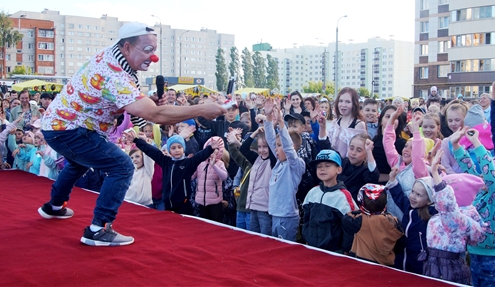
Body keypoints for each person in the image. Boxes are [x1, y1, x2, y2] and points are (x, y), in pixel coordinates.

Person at [37, 22, 226, 247]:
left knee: (78, 163)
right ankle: (99, 229)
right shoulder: (115, 74)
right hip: (70, 130)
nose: (153, 57)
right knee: (122, 166)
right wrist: (201, 110)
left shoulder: (115, 59)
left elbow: (136, 108)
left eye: (155, 49)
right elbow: (154, 116)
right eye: (147, 50)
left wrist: (147, 103)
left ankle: (54, 206)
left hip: (59, 126)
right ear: (127, 47)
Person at [452, 127, 495, 285]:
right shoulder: (482, 191)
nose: (481, 175)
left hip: (493, 261)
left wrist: (476, 142)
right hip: (474, 257)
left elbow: (489, 171)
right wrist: (456, 145)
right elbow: (469, 170)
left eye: (487, 173)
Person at [423, 149, 485, 285]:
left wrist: (435, 173)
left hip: (449, 268)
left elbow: (448, 208)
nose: (436, 194)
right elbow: (443, 202)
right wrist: (435, 172)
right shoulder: (445, 213)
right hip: (433, 264)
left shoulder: (460, 218)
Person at [264, 98, 305, 241]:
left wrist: (281, 124)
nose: (276, 149)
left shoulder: (295, 164)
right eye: (276, 145)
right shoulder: (279, 164)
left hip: (287, 218)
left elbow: (287, 147)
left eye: (279, 145)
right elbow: (270, 138)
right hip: (275, 215)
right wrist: (268, 117)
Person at [302, 149, 358, 252]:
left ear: (339, 170)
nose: (322, 169)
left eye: (327, 166)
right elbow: (306, 219)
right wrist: (306, 238)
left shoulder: (343, 196)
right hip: (311, 247)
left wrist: (346, 250)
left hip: (334, 251)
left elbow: (350, 226)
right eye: (319, 166)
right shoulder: (312, 192)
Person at [342, 184, 404, 266]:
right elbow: (401, 243)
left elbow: (346, 219)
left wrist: (361, 211)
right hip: (387, 265)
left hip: (363, 262)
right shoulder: (394, 221)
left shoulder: (359, 220)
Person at [328, 87, 366, 158]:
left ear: (354, 104)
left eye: (347, 102)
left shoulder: (359, 124)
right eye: (341, 101)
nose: (343, 105)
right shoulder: (335, 122)